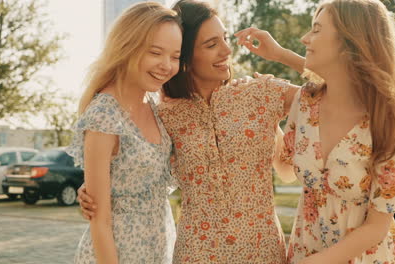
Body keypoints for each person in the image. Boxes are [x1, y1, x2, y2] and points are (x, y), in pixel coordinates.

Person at [78, 0, 307, 263]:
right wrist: (93, 190)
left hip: (262, 251)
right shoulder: (164, 113)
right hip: (195, 254)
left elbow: (342, 93)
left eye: (224, 39)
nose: (227, 50)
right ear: (186, 58)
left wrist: (281, 55)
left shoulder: (261, 94)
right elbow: (133, 163)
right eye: (211, 44)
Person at [236, 0, 395, 263]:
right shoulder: (306, 103)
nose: (305, 38)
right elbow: (286, 170)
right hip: (306, 249)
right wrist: (269, 123)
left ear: (351, 41)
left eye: (316, 30)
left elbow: (377, 226)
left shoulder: (387, 120)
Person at [66, 2, 182, 263]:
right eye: (155, 52)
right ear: (127, 46)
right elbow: (100, 221)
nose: (166, 65)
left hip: (158, 250)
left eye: (175, 56)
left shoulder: (154, 106)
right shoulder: (104, 114)